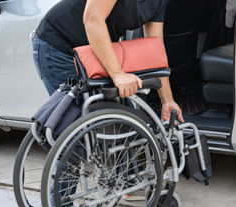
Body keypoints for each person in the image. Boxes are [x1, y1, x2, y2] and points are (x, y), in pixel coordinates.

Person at [32, 0, 184, 122]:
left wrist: (167, 100)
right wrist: (117, 73)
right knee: (75, 130)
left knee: (116, 125)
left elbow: (155, 49)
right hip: (60, 44)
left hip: (93, 52)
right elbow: (93, 19)